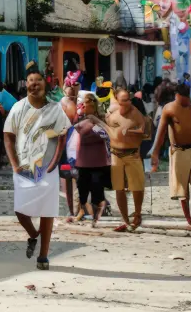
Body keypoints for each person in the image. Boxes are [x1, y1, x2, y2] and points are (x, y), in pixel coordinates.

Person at [4, 67, 72, 271]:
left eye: (39, 80)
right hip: (24, 166)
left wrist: (55, 161)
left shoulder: (54, 109)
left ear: (45, 83)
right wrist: (14, 164)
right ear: (26, 84)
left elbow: (62, 134)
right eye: (31, 80)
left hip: (47, 167)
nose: (34, 83)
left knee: (47, 210)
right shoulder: (17, 108)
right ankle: (33, 234)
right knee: (20, 210)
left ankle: (43, 255)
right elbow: (8, 135)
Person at [151, 81, 191, 231]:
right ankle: (189, 221)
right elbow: (161, 133)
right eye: (184, 98)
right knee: (183, 190)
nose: (187, 101)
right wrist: (155, 153)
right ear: (177, 95)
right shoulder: (169, 109)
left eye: (188, 98)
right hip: (178, 152)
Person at [106, 87, 149, 231]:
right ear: (118, 101)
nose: (127, 103)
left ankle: (137, 213)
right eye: (124, 100)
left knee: (137, 187)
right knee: (119, 188)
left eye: (128, 100)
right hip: (116, 154)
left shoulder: (136, 114)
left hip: (132, 154)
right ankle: (125, 220)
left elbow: (144, 132)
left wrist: (129, 131)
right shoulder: (112, 114)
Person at [70, 92, 110, 226]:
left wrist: (93, 122)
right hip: (83, 159)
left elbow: (105, 134)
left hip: (98, 160)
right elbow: (76, 132)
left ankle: (95, 215)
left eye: (86, 104)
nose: (84, 106)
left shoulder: (102, 118)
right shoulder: (80, 119)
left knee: (97, 188)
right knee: (82, 188)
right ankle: (82, 211)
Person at [59, 71, 81, 220]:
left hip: (72, 144)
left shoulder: (77, 103)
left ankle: (76, 209)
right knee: (69, 178)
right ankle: (74, 210)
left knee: (72, 178)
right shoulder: (64, 104)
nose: (71, 90)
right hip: (67, 144)